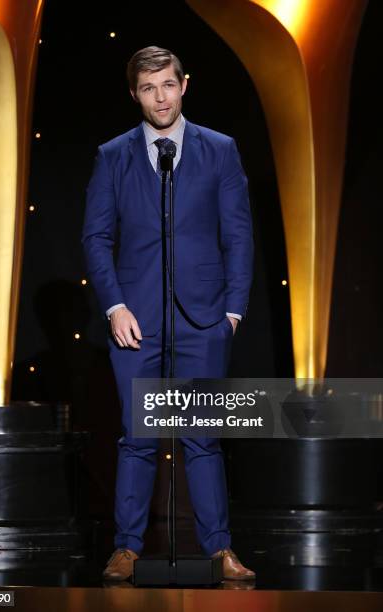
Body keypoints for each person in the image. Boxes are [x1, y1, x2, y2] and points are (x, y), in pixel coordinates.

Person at [82, 46, 255, 582]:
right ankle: (127, 548)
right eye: (149, 88)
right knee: (138, 437)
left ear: (185, 85)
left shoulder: (220, 149)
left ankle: (220, 550)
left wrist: (233, 311)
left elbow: (238, 233)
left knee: (202, 436)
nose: (160, 97)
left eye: (168, 85)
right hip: (135, 321)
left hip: (204, 319)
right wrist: (114, 305)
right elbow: (97, 235)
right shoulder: (114, 155)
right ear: (135, 93)